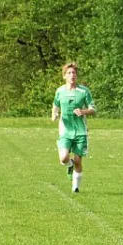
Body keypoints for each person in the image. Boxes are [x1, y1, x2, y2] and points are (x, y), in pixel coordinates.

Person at [51, 62, 96, 193]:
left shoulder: (84, 91)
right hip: (65, 130)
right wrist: (54, 114)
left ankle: (75, 187)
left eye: (74, 73)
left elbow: (93, 109)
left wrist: (83, 112)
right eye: (69, 73)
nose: (72, 75)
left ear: (77, 76)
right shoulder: (60, 91)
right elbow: (55, 105)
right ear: (64, 76)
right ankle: (68, 166)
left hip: (81, 131)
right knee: (63, 158)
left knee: (78, 161)